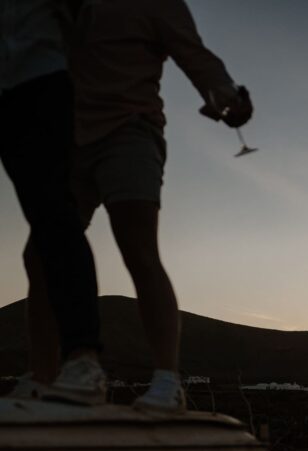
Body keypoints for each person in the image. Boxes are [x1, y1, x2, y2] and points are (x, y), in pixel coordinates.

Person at [23, 0, 253, 411]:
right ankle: (43, 378)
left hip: (130, 132)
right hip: (70, 140)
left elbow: (194, 55)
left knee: (138, 248)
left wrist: (226, 97)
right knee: (40, 254)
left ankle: (167, 381)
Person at [2, 0, 106, 405]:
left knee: (53, 215)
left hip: (43, 80)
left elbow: (84, 21)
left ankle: (83, 358)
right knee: (43, 220)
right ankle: (45, 375)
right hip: (8, 87)